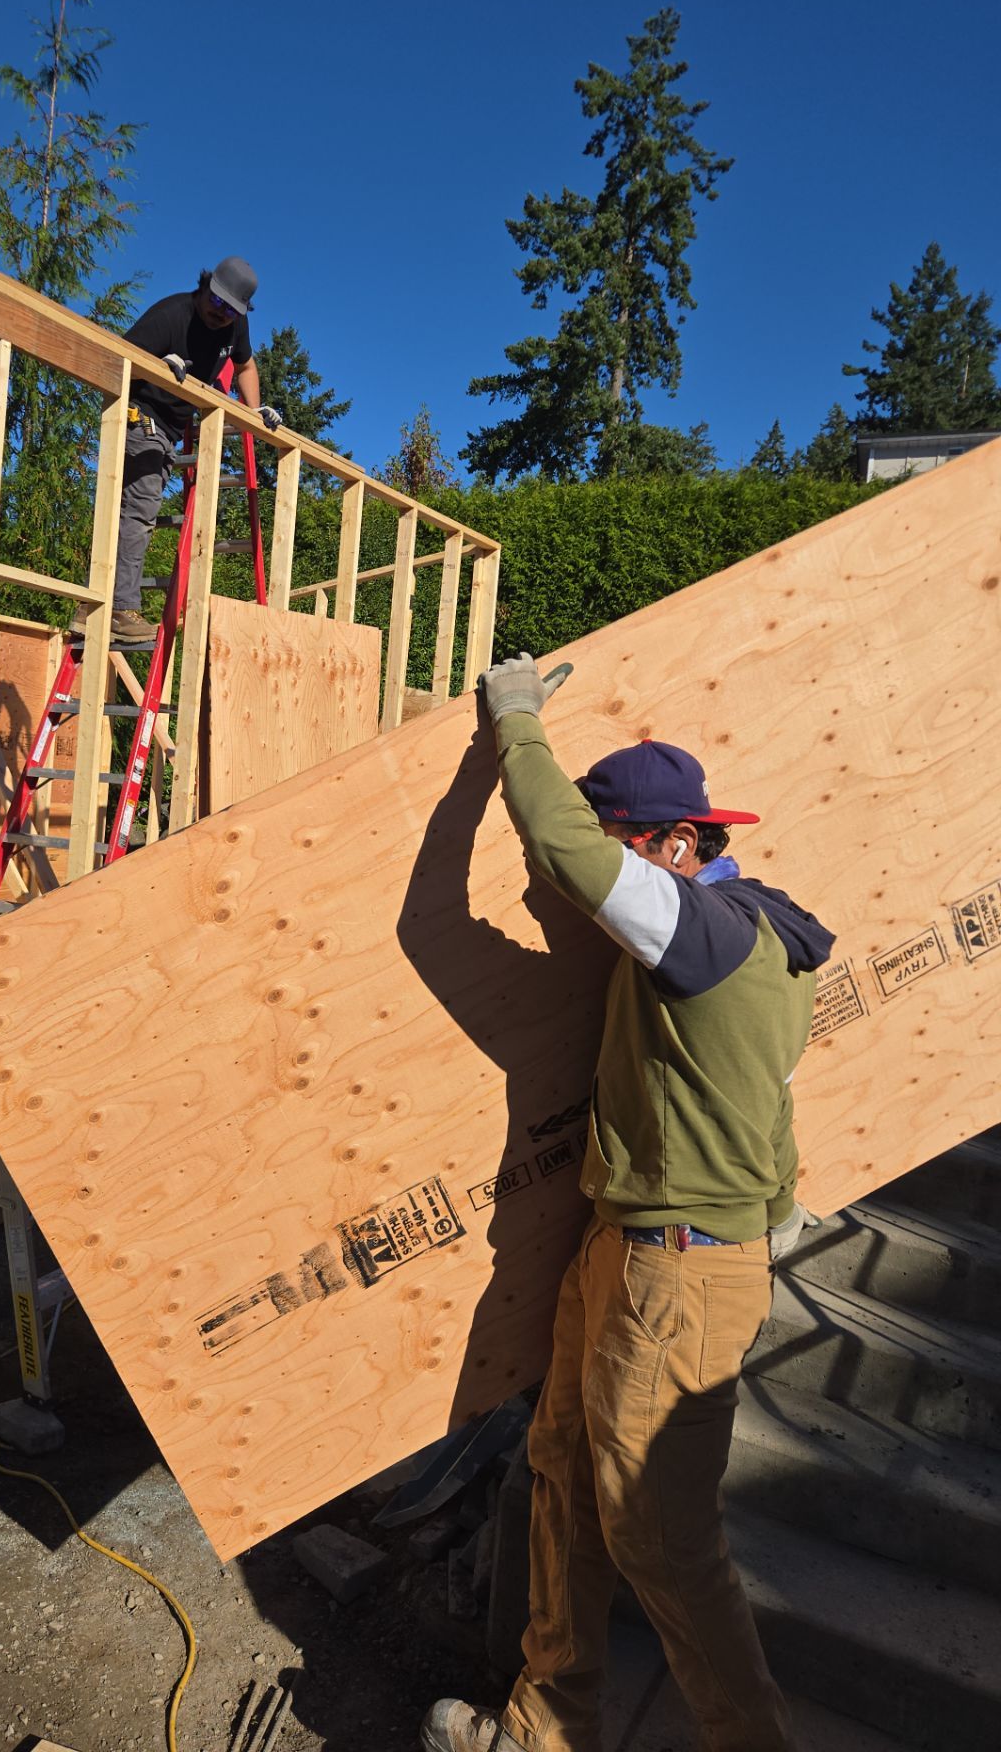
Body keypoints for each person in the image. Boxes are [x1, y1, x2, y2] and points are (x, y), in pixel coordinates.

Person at [422, 653, 835, 1752]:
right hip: (628, 1249)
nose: (578, 885)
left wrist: (513, 723)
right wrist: (780, 1197)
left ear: (675, 847)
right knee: (560, 1471)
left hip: (681, 1272)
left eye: (618, 851)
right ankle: (546, 1727)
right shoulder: (746, 930)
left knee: (662, 1540)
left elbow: (557, 846)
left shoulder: (703, 934)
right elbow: (757, 1099)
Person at [76, 255, 281, 647]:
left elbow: (246, 366)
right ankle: (118, 609)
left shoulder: (234, 326)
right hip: (141, 416)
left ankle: (91, 609)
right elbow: (113, 360)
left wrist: (254, 414)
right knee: (139, 511)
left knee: (131, 513)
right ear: (205, 286)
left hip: (171, 428)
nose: (220, 314)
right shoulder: (171, 315)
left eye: (230, 310)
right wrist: (151, 364)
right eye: (216, 303)